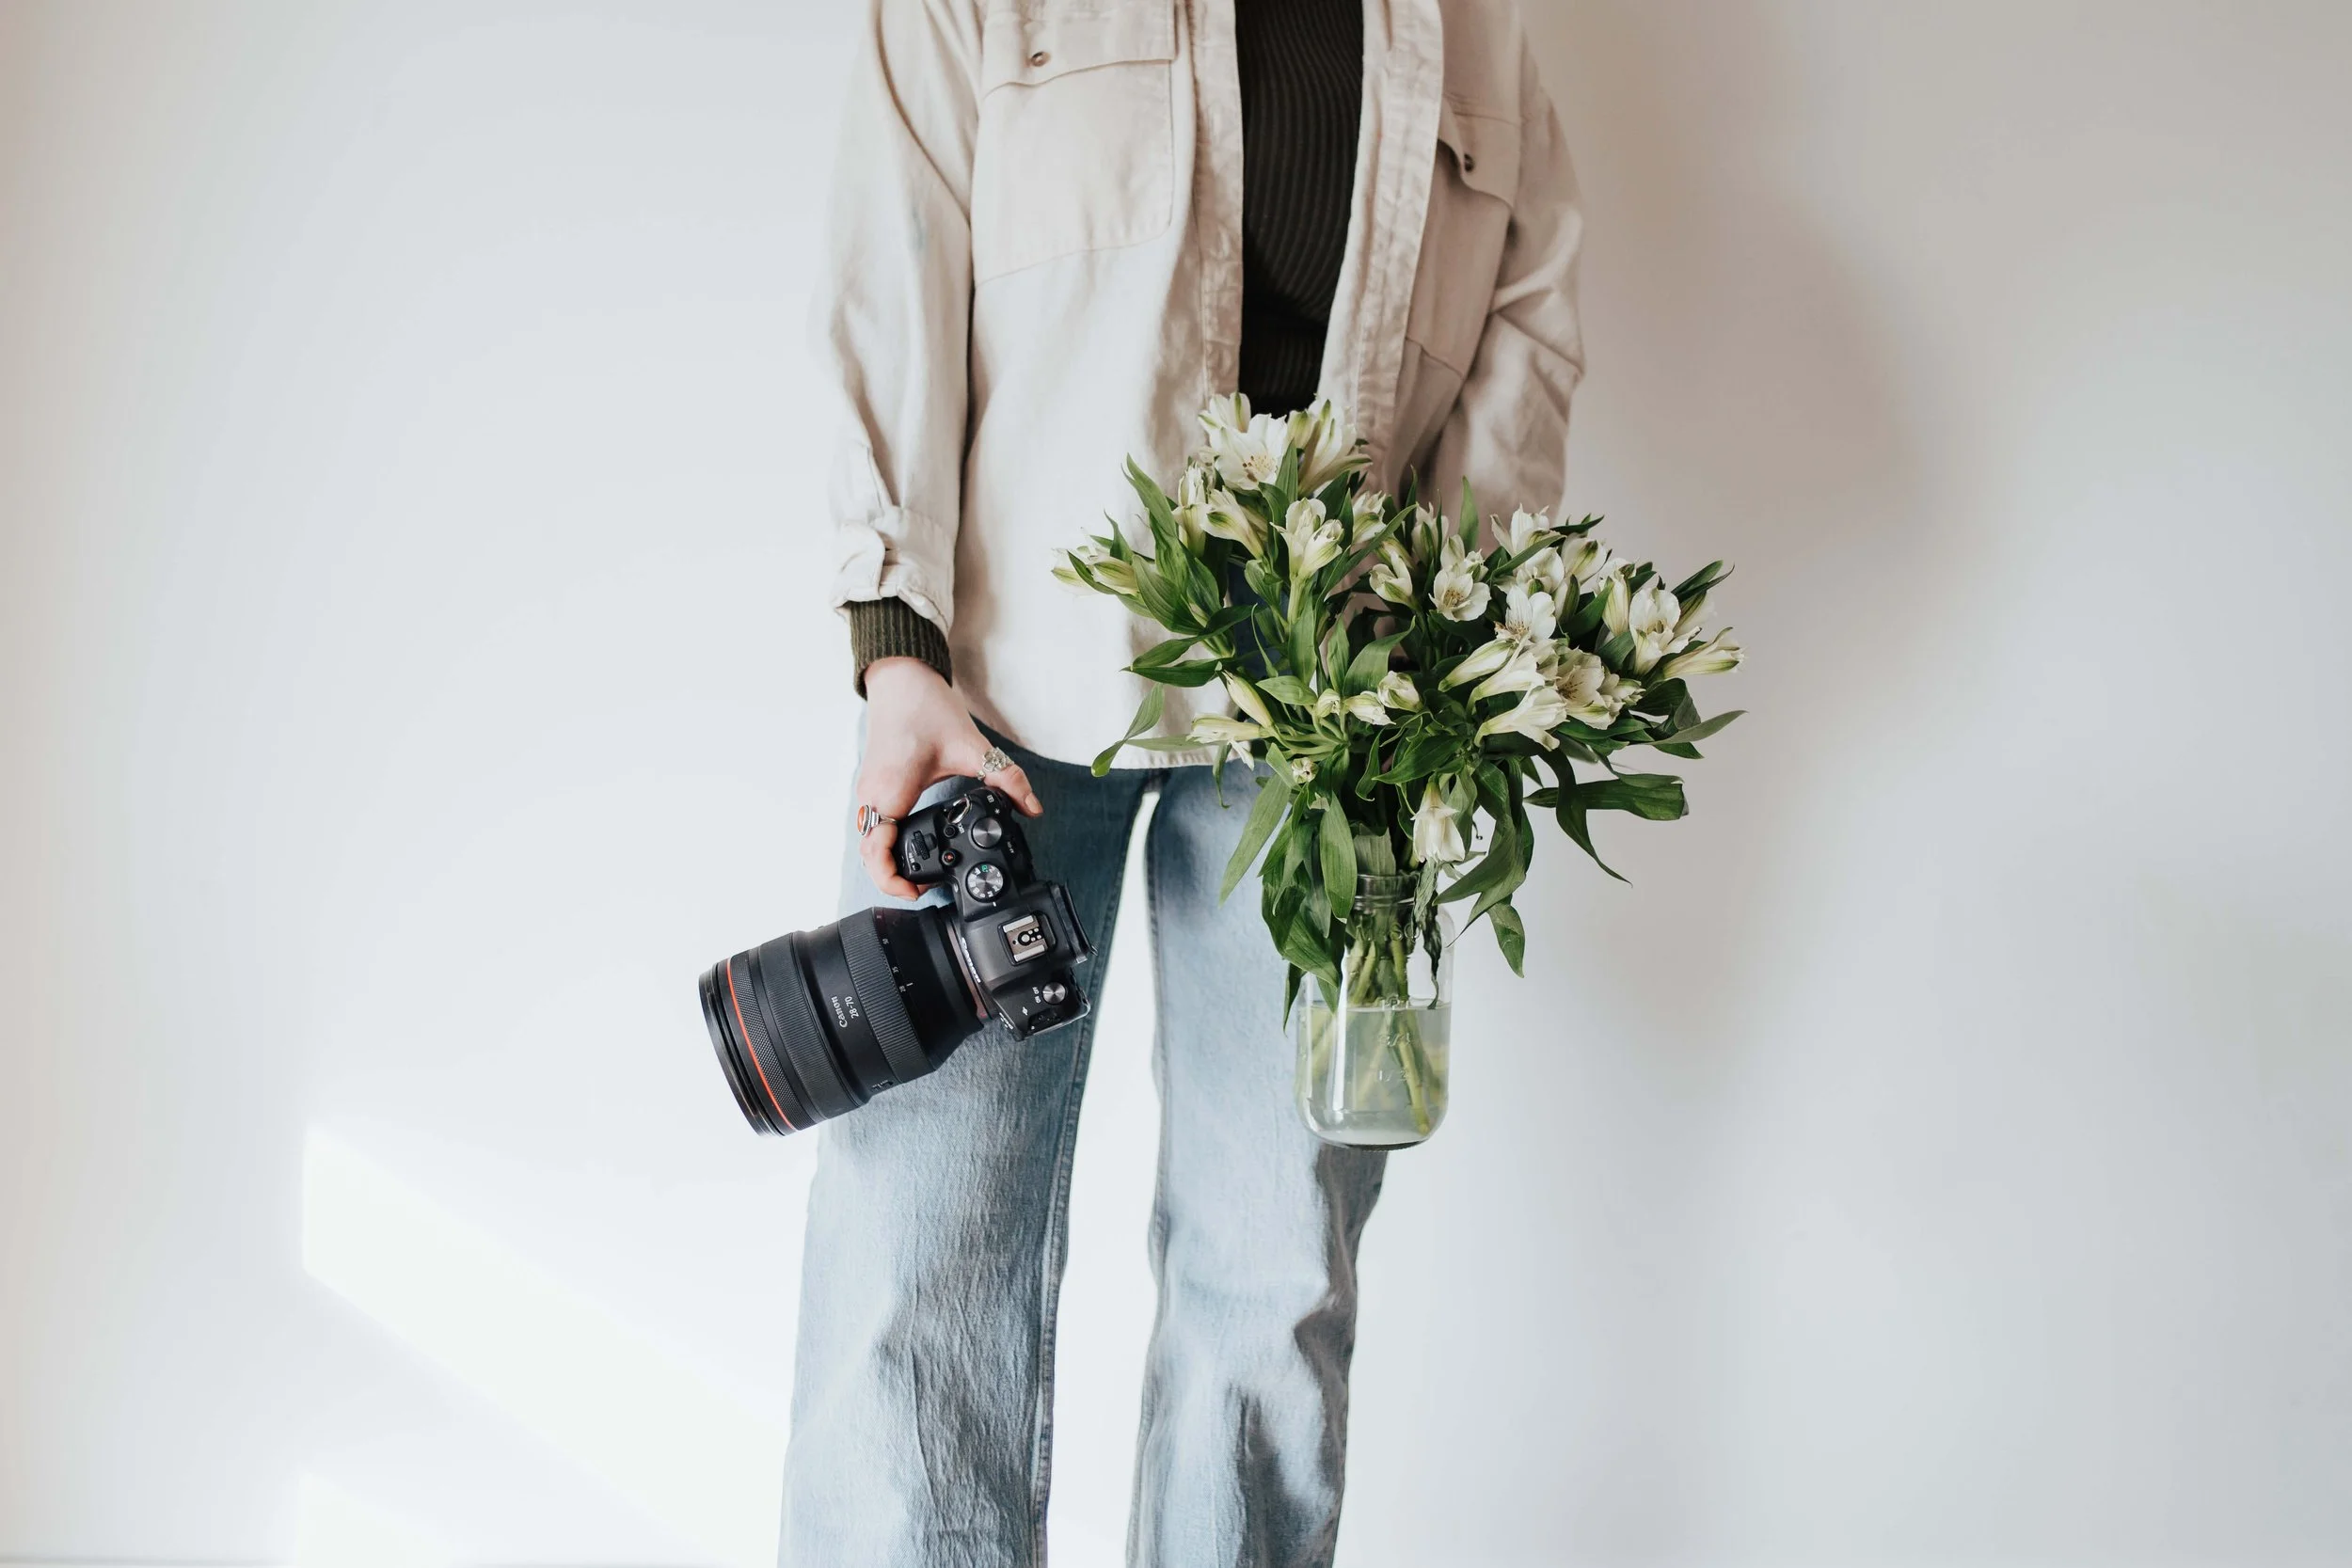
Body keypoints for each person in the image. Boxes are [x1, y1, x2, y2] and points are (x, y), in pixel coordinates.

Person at [786, 0, 1583, 1561]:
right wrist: (897, 648)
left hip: (1331, 725)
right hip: (1001, 705)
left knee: (1275, 1273)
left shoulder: (1474, 30)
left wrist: (1437, 663)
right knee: (923, 1259)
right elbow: (896, 257)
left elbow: (1529, 324)